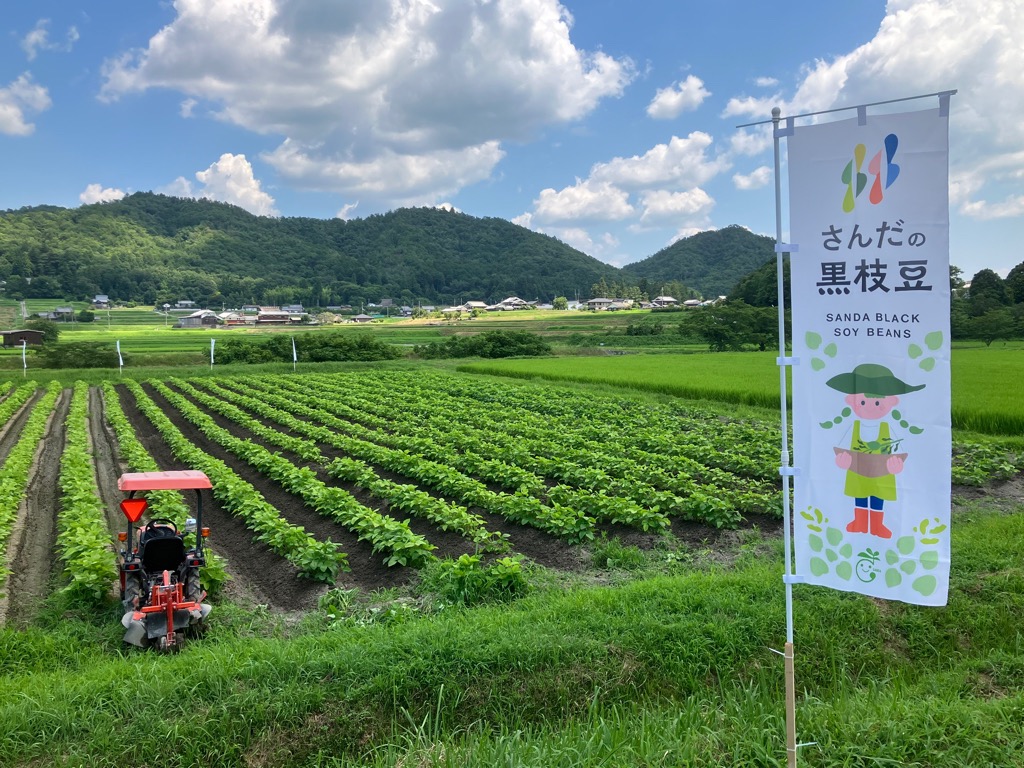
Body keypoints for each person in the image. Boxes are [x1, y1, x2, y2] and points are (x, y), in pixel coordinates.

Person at [826, 363, 925, 539]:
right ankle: (860, 522)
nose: (870, 407)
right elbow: (841, 449)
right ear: (851, 400)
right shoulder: (854, 427)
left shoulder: (888, 429)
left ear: (892, 402)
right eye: (863, 402)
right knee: (859, 494)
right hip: (857, 470)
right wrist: (842, 460)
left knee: (878, 496)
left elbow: (899, 452)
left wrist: (897, 464)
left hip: (882, 472)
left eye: (878, 402)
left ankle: (877, 525)